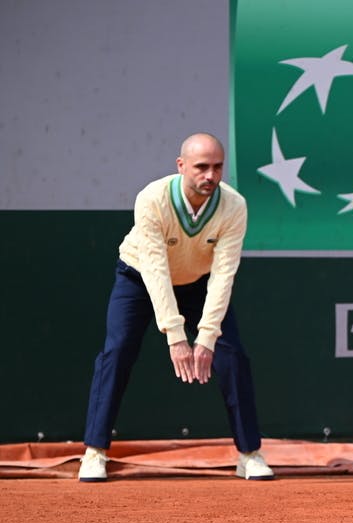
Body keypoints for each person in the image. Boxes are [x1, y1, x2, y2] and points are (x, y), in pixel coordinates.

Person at [79, 133, 274, 482]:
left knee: (233, 356)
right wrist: (176, 337)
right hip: (139, 277)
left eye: (217, 167)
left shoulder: (234, 206)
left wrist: (207, 337)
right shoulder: (152, 199)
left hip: (200, 282)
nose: (210, 176)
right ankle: (94, 453)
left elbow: (224, 274)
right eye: (201, 167)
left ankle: (249, 454)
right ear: (181, 166)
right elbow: (155, 269)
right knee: (118, 349)